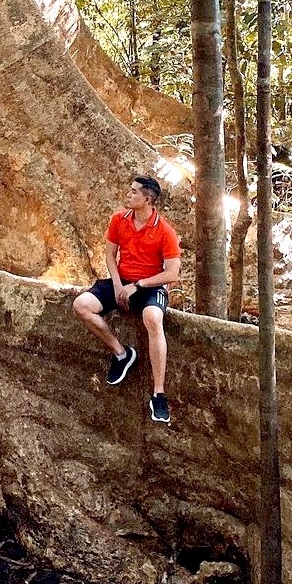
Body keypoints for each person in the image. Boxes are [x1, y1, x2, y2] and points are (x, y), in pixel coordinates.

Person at [72, 175, 181, 424]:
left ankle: (159, 394)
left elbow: (172, 273)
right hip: (121, 283)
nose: (128, 195)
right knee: (82, 305)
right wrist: (119, 284)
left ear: (147, 199)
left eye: (134, 192)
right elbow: (110, 255)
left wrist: (138, 285)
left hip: (149, 286)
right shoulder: (119, 219)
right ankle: (122, 354)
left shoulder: (165, 231)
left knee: (152, 317)